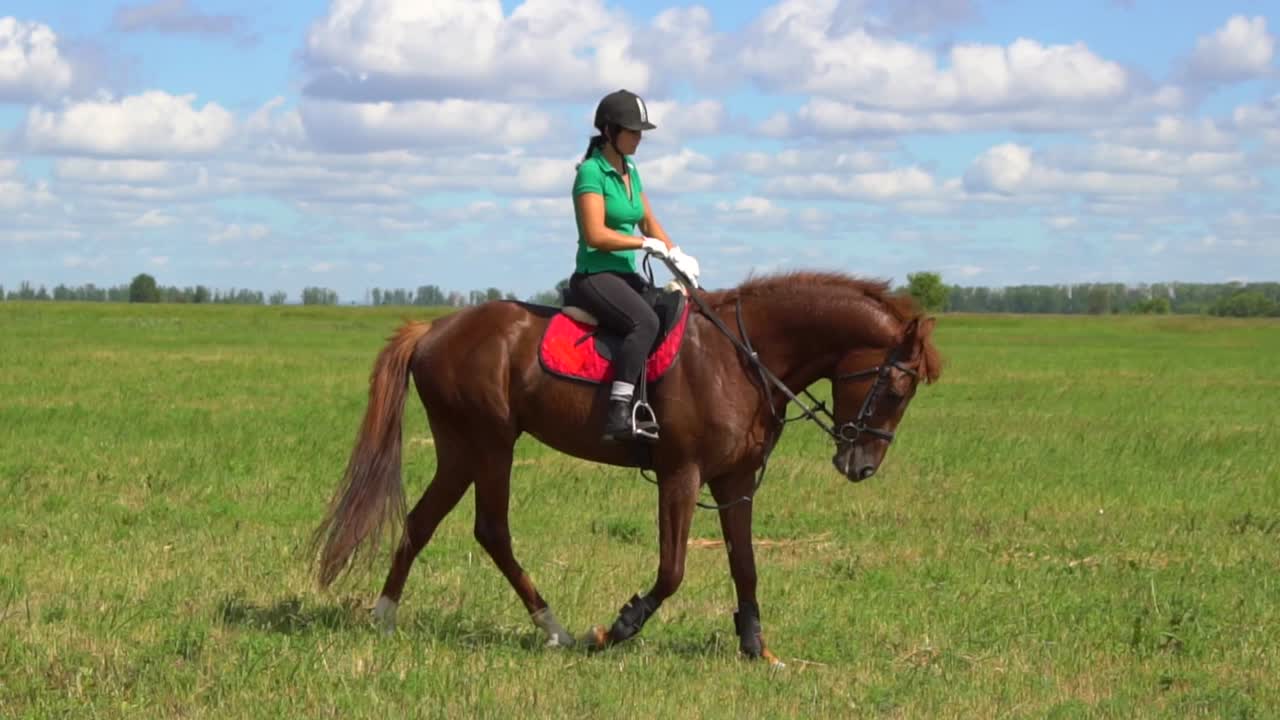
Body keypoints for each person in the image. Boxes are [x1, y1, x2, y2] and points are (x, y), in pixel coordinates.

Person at [570, 89, 701, 442]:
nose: (639, 138)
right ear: (610, 131)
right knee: (645, 321)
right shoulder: (591, 174)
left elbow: (647, 220)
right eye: (633, 131)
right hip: (595, 276)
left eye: (641, 132)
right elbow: (596, 235)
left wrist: (677, 256)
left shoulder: (630, 169)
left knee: (673, 308)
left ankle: (651, 399)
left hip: (625, 274)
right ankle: (618, 411)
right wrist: (644, 244)